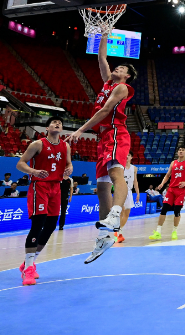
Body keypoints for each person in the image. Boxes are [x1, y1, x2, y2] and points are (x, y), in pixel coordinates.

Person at [68, 31, 135, 264]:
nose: (117, 68)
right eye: (117, 67)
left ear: (127, 76)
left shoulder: (122, 88)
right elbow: (101, 58)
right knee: (101, 186)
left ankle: (115, 215)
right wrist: (104, 35)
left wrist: (80, 130)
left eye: (121, 68)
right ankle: (104, 237)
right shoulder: (108, 83)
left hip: (116, 133)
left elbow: (105, 111)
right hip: (103, 137)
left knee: (116, 175)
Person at [16, 117, 72, 285]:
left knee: (50, 226)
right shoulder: (38, 144)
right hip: (40, 186)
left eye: (60, 123)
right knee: (37, 225)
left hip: (57, 187)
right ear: (47, 128)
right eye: (54, 122)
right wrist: (33, 171)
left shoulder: (65, 146)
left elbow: (68, 164)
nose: (57, 124)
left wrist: (70, 168)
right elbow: (20, 164)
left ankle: (29, 263)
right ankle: (28, 270)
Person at [149, 147, 185, 241]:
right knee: (164, 209)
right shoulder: (173, 163)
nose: (181, 151)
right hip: (171, 189)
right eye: (179, 150)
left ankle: (174, 231)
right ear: (177, 152)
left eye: (182, 150)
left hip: (181, 190)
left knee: (177, 211)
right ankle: (158, 232)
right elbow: (167, 175)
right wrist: (162, 183)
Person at [115, 153, 141, 243]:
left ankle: (119, 231)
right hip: (120, 190)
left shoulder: (134, 168)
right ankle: (118, 233)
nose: (127, 156)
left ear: (131, 157)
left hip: (129, 191)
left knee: (126, 214)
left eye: (129, 155)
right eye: (125, 154)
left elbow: (135, 181)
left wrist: (138, 193)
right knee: (121, 212)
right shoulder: (120, 167)